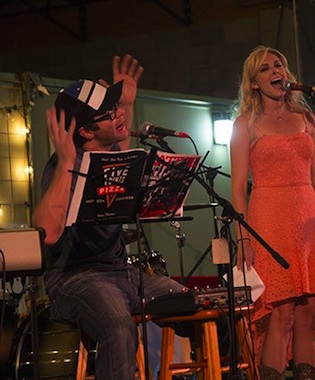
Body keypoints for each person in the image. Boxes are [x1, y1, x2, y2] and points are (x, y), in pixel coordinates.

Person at [32, 54, 189, 379]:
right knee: (119, 327)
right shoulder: (61, 166)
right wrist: (64, 163)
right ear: (87, 132)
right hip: (75, 279)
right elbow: (45, 233)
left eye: (116, 107)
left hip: (121, 273)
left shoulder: (112, 153)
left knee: (193, 304)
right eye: (110, 112)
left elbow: (118, 137)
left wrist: (126, 102)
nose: (119, 115)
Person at [230, 45, 315, 379]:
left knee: (308, 312)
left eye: (278, 65)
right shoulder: (245, 124)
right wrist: (243, 237)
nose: (274, 71)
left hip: (308, 220)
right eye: (264, 69)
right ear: (253, 83)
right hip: (269, 220)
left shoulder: (306, 119)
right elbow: (237, 187)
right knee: (281, 314)